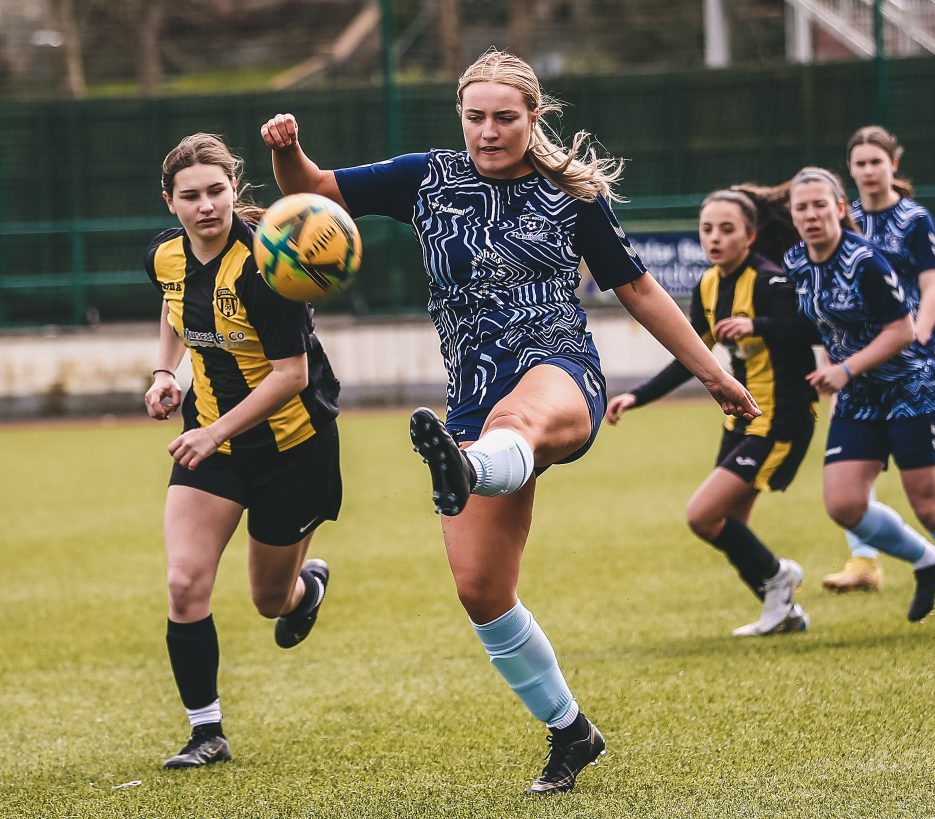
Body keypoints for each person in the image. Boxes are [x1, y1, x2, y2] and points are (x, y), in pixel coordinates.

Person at [261, 49, 758, 794]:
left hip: (559, 366)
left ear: (533, 117)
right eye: (476, 118)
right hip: (469, 399)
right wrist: (287, 151)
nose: (489, 132)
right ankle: (570, 730)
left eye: (504, 118)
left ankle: (469, 466)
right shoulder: (426, 177)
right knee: (482, 592)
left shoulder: (572, 194)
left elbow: (640, 290)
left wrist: (714, 373)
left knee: (517, 416)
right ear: (460, 117)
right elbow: (316, 193)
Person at [144, 133, 342, 768]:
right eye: (190, 196)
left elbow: (291, 375)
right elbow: (175, 307)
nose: (205, 206)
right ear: (170, 202)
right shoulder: (165, 255)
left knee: (268, 602)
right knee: (184, 583)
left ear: (235, 190)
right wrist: (164, 373)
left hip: (292, 447)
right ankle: (207, 733)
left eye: (216, 191)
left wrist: (213, 432)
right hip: (212, 445)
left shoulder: (266, 267)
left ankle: (305, 591)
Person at [783, 166, 935, 634]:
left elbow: (903, 331)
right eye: (801, 207)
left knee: (929, 503)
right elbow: (817, 326)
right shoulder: (795, 262)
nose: (811, 215)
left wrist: (844, 369)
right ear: (792, 214)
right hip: (859, 395)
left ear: (839, 209)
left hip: (910, 387)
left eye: (820, 205)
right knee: (844, 504)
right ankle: (928, 562)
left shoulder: (865, 259)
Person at [606, 188, 818, 636]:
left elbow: (806, 330)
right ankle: (782, 612)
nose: (715, 238)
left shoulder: (770, 281)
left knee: (702, 515)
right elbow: (692, 355)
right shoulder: (708, 284)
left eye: (726, 229)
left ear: (750, 236)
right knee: (731, 523)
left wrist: (757, 325)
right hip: (740, 419)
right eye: (707, 229)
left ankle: (779, 577)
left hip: (780, 418)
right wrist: (637, 396)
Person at [822, 125, 935, 593]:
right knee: (850, 459)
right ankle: (864, 562)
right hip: (860, 363)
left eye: (875, 162)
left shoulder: (915, 219)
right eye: (859, 163)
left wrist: (918, 336)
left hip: (913, 362)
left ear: (893, 164)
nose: (868, 170)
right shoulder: (846, 218)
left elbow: (931, 286)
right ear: (850, 169)